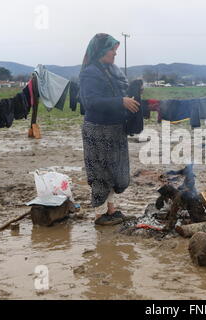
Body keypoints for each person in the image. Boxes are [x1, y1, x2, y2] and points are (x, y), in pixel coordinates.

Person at [79, 33, 140, 226]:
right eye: (112, 50)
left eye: (115, 50)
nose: (115, 53)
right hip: (98, 130)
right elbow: (91, 102)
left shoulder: (112, 70)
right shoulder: (90, 72)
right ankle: (99, 214)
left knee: (115, 172)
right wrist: (120, 101)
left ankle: (111, 210)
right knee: (100, 173)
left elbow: (119, 93)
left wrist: (134, 92)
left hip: (115, 128)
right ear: (101, 51)